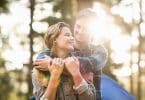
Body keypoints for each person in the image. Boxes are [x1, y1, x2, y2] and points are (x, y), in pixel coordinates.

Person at [33, 8, 108, 100]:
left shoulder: (99, 51)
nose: (80, 31)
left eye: (86, 28)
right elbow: (40, 60)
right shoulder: (64, 49)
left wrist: (52, 64)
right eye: (78, 26)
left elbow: (88, 64)